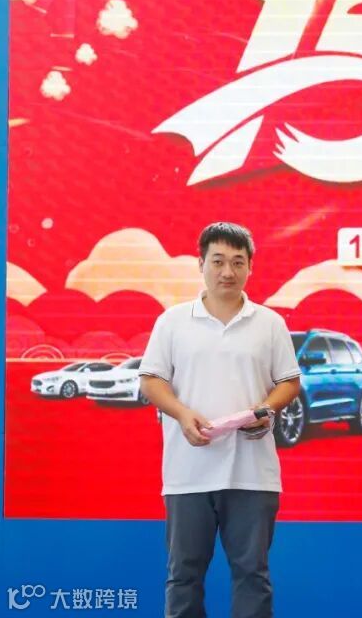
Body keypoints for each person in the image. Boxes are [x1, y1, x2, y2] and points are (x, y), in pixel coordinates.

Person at [139, 222, 302, 618]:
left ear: (250, 267)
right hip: (188, 473)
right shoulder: (173, 321)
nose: (227, 271)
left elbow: (289, 382)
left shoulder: (270, 323)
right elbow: (151, 380)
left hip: (252, 474)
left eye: (237, 262)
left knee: (252, 575)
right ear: (201, 264)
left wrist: (265, 410)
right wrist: (181, 414)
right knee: (183, 575)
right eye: (218, 261)